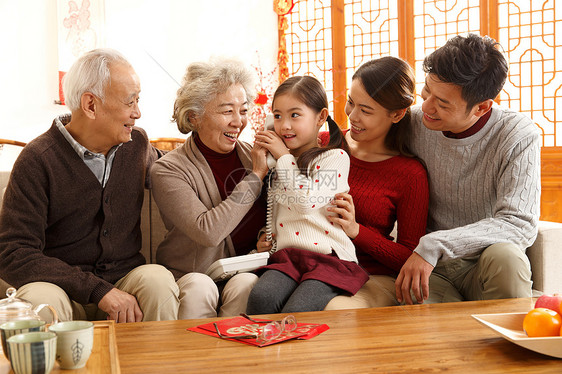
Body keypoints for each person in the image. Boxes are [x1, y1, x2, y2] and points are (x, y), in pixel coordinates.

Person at [0, 48, 179, 323]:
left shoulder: (136, 145)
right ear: (90, 105)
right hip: (62, 289)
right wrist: (96, 289)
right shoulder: (38, 160)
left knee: (157, 281)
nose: (138, 113)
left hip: (125, 281)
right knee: (39, 302)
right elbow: (13, 252)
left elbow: (180, 170)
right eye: (130, 102)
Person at [395, 33, 540, 305]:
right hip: (432, 269)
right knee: (418, 314)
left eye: (443, 103)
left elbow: (519, 224)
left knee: (507, 257)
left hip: (484, 261)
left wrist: (434, 244)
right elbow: (356, 140)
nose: (426, 106)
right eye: (427, 91)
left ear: (482, 107)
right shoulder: (415, 122)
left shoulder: (517, 134)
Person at [150, 58, 268, 319]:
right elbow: (208, 231)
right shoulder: (168, 169)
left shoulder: (254, 155)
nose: (239, 122)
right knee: (200, 288)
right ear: (194, 116)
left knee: (247, 284)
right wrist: (256, 177)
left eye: (244, 110)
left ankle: (235, 359)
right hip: (195, 276)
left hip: (246, 268)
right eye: (227, 111)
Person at [245, 76, 369, 314]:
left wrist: (282, 158)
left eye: (294, 115)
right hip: (288, 257)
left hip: (329, 258)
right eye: (278, 116)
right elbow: (283, 213)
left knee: (300, 310)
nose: (284, 126)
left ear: (321, 117)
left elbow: (305, 202)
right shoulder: (280, 165)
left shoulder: (335, 158)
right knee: (262, 298)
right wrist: (266, 236)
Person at [319, 57, 429, 309]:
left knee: (333, 309)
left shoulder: (410, 173)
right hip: (311, 264)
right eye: (350, 102)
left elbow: (409, 257)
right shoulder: (324, 144)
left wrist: (356, 230)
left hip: (370, 276)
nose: (352, 116)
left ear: (397, 114)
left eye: (366, 110)